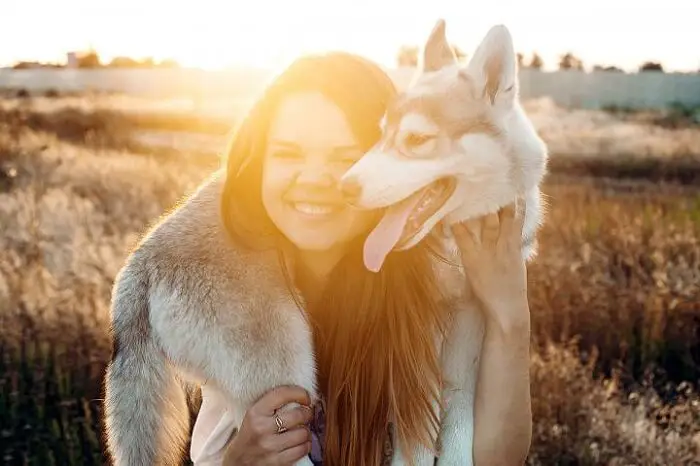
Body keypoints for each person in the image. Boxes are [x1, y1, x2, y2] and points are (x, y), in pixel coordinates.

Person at [189, 51, 533, 466]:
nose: (315, 179)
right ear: (257, 165)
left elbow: (495, 459)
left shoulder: (432, 288)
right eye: (287, 154)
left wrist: (509, 313)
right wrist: (237, 463)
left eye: (344, 157)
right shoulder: (235, 303)